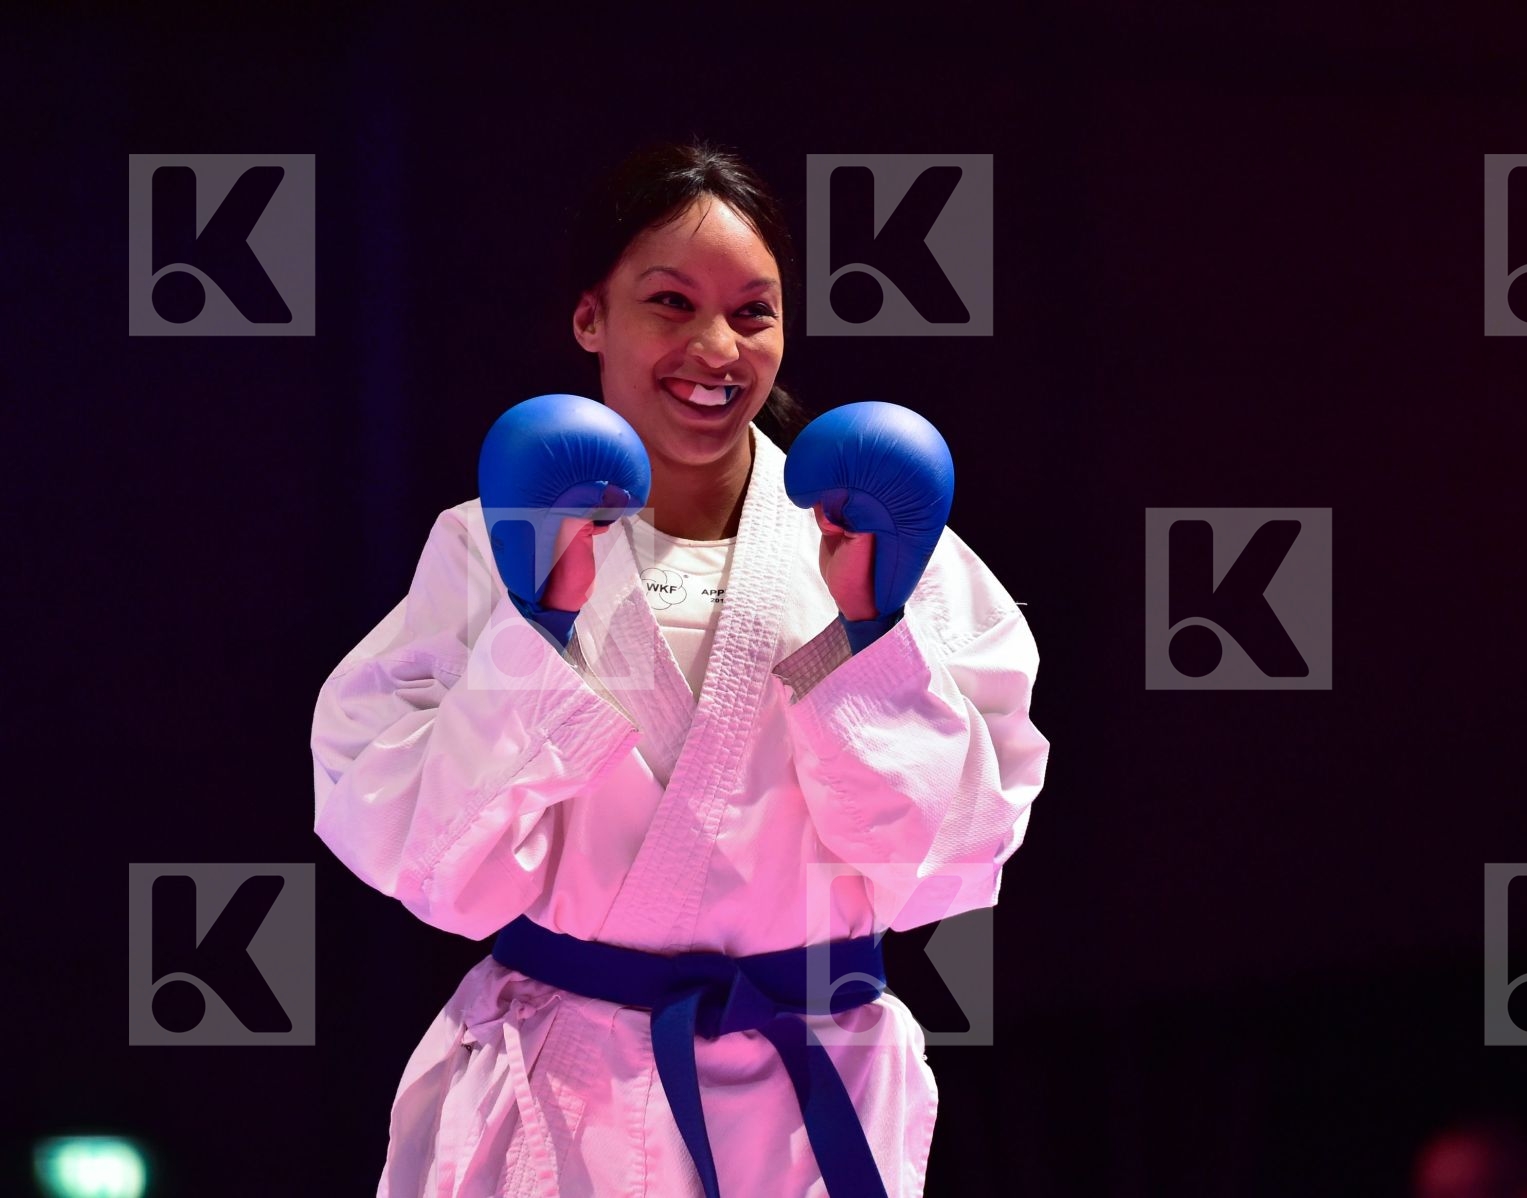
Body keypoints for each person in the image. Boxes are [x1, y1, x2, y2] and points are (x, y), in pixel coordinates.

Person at [310, 140, 1050, 1198]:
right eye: (670, 301)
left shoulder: (884, 547)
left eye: (754, 312)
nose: (716, 345)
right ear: (589, 319)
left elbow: (948, 868)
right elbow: (424, 860)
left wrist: (869, 633)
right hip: (567, 1099)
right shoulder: (489, 545)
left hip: (810, 1100)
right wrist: (539, 630)